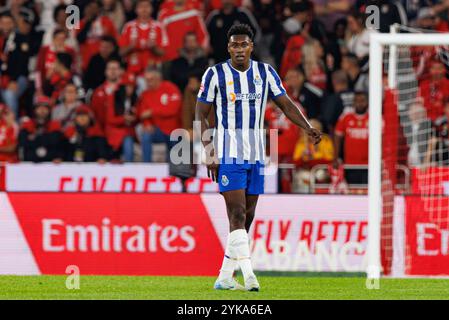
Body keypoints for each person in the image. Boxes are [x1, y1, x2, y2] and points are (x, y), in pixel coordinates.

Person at [196, 24, 321, 291]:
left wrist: (307, 127)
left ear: (251, 46)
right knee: (238, 212)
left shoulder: (265, 73)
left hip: (256, 154)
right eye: (234, 45)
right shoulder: (215, 74)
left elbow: (286, 104)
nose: (239, 49)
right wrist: (209, 152)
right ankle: (250, 275)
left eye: (243, 44)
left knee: (247, 216)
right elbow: (200, 114)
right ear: (228, 48)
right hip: (228, 153)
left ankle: (225, 276)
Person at [137, 66, 182, 162]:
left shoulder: (171, 88)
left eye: (151, 80)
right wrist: (147, 124)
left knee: (176, 140)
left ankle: (172, 171)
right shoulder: (145, 94)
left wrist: (152, 112)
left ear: (159, 79)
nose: (148, 83)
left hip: (173, 129)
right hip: (157, 130)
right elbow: (142, 114)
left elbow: (173, 109)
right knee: (146, 136)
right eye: (146, 80)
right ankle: (146, 167)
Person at [334, 91, 369, 184]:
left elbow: (382, 140)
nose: (360, 103)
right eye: (357, 101)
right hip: (350, 165)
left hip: (369, 165)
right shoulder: (346, 117)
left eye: (362, 101)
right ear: (353, 102)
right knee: (352, 191)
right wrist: (336, 157)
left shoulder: (374, 117)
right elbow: (337, 137)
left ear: (367, 102)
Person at [18, 96, 65, 162]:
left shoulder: (55, 125)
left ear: (49, 110)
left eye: (45, 108)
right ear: (35, 110)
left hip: (51, 163)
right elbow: (23, 143)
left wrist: (34, 138)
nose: (42, 110)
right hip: (30, 163)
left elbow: (58, 143)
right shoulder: (27, 125)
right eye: (39, 108)